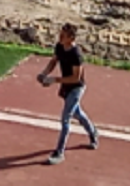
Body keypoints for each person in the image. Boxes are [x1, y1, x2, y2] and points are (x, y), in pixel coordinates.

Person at [38, 23, 98, 164]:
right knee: (78, 113)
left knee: (66, 118)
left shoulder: (76, 54)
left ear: (71, 38)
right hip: (66, 87)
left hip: (76, 88)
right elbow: (54, 61)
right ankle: (93, 133)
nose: (60, 36)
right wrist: (44, 73)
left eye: (63, 35)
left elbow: (76, 78)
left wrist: (53, 80)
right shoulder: (59, 47)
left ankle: (59, 152)